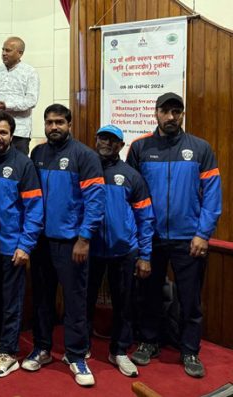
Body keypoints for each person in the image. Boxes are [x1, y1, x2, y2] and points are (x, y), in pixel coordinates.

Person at [127, 92, 221, 378]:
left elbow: (213, 195)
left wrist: (203, 233)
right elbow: (128, 195)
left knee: (190, 299)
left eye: (176, 112)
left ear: (182, 115)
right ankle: (148, 341)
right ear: (155, 113)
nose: (171, 117)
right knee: (149, 294)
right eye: (165, 111)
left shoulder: (200, 148)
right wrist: (137, 236)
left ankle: (190, 350)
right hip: (150, 237)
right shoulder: (140, 148)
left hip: (188, 239)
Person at [24, 104, 105, 387]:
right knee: (42, 299)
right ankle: (43, 347)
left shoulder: (85, 156)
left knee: (74, 302)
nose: (54, 127)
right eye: (49, 122)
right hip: (42, 242)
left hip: (72, 243)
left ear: (69, 124)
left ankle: (75, 354)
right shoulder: (38, 154)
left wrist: (84, 238)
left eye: (59, 122)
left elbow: (95, 201)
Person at [0, 111, 43, 378]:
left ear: (12, 135)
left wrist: (25, 245)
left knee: (12, 301)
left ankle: (9, 352)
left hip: (11, 247)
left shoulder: (22, 164)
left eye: (3, 132)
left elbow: (35, 208)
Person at [87, 124, 155, 378]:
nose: (106, 143)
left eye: (113, 140)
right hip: (90, 250)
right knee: (83, 301)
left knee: (124, 304)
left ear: (120, 145)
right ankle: (81, 347)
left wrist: (145, 256)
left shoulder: (131, 175)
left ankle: (119, 351)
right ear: (96, 139)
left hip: (124, 251)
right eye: (103, 137)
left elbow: (145, 217)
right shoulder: (85, 169)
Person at [0, 36, 39, 155]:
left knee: (17, 167)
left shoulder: (30, 72)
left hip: (19, 131)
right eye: (3, 50)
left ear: (20, 53)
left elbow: (31, 100)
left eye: (8, 50)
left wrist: (6, 106)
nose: (4, 53)